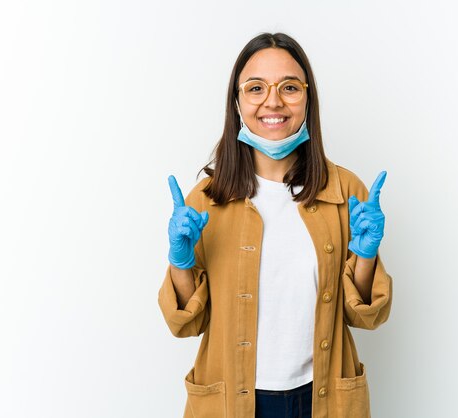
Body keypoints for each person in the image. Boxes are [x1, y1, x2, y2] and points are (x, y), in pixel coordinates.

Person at [158, 32, 393, 418]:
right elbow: (186, 324)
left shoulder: (345, 191)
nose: (273, 101)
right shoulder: (205, 200)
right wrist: (180, 263)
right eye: (255, 88)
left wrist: (365, 255)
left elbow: (365, 317)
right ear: (236, 102)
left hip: (322, 398)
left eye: (289, 87)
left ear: (308, 98)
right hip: (233, 400)